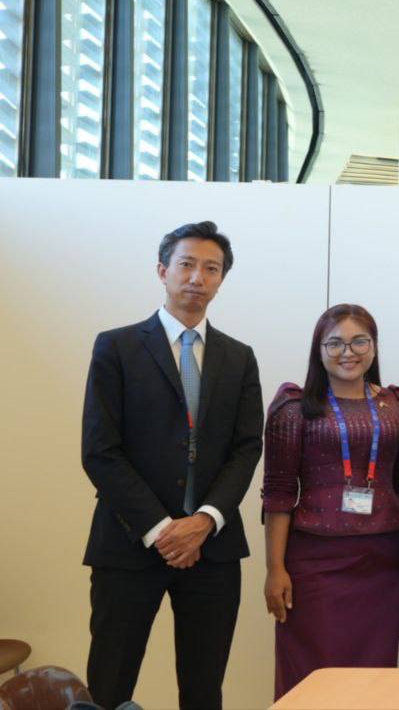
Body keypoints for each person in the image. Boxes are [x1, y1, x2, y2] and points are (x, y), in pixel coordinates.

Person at [81, 221, 263, 710]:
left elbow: (247, 448)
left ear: (221, 279)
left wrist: (204, 521)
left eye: (212, 268)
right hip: (129, 543)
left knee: (204, 690)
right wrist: (163, 530)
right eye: (186, 264)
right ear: (163, 271)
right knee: (109, 686)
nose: (198, 277)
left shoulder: (239, 358)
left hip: (212, 549)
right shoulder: (116, 347)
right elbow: (100, 450)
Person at [261, 304, 399, 699]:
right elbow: (279, 494)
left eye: (359, 341)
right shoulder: (295, 408)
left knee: (374, 675)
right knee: (314, 673)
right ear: (318, 350)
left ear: (374, 346)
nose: (347, 352)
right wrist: (275, 569)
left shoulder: (396, 405)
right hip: (315, 563)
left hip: (380, 562)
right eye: (335, 343)